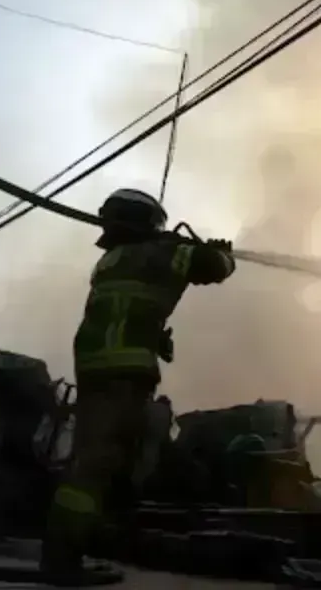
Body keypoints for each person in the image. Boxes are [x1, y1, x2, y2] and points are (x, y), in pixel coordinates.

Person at [41, 188, 235, 581]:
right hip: (124, 371)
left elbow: (131, 309)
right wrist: (224, 253)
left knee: (94, 458)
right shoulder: (162, 252)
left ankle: (70, 549)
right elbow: (214, 267)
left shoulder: (110, 260)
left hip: (95, 369)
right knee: (97, 464)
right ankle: (63, 560)